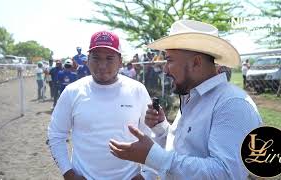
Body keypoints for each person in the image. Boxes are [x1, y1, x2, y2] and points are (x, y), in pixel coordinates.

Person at [109, 20, 263, 180]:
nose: (165, 69)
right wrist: (161, 128)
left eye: (170, 60)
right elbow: (184, 148)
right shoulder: (192, 97)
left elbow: (226, 174)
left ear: (196, 62)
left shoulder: (233, 104)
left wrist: (153, 156)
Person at [47, 30, 157, 180]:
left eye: (109, 58)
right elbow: (56, 135)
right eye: (96, 58)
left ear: (120, 61)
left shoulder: (137, 90)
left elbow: (151, 135)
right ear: (87, 60)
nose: (102, 65)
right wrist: (69, 174)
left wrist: (146, 175)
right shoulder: (72, 92)